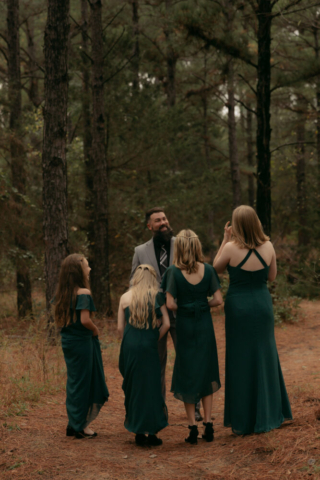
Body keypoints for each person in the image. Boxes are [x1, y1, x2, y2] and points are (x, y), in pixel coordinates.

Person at [213, 206, 292, 435]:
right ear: (256, 222)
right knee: (266, 355)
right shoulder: (268, 246)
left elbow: (215, 270)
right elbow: (271, 276)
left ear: (236, 225)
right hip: (262, 303)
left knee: (240, 357)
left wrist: (225, 239)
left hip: (238, 307)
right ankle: (269, 413)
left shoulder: (230, 248)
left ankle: (244, 419)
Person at [131, 208, 203, 420]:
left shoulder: (181, 244)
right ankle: (159, 407)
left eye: (164, 219)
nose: (163, 223)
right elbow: (133, 282)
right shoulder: (140, 251)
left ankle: (194, 405)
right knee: (156, 363)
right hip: (154, 317)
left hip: (182, 313)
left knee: (188, 359)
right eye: (157, 220)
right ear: (149, 226)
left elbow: (193, 270)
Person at [161, 229, 223, 444]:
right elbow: (218, 300)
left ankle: (192, 429)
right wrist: (201, 304)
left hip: (185, 326)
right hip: (204, 325)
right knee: (206, 370)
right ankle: (208, 425)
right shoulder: (208, 270)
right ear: (197, 247)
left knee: (187, 373)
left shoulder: (172, 272)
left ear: (179, 248)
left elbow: (169, 304)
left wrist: (184, 307)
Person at [54, 253, 109, 439]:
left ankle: (73, 423)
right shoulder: (83, 293)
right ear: (79, 271)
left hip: (68, 341)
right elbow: (85, 320)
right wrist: (95, 330)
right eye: (87, 266)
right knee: (85, 381)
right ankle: (80, 425)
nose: (90, 269)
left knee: (74, 382)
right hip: (82, 342)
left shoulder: (63, 293)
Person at [118, 264, 170, 446]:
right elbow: (167, 324)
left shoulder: (125, 297)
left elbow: (120, 328)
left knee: (134, 387)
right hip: (149, 344)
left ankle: (138, 431)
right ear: (153, 278)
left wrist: (130, 341)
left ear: (136, 278)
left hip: (130, 345)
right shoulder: (156, 296)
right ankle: (153, 433)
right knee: (152, 387)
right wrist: (154, 337)